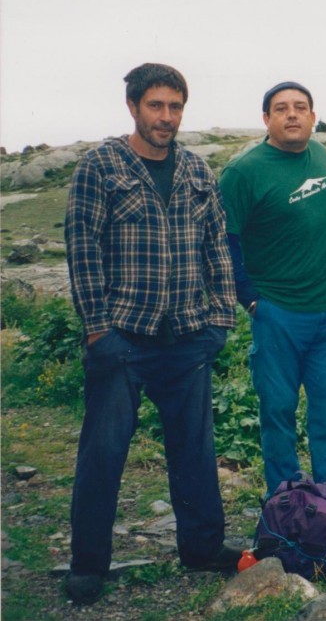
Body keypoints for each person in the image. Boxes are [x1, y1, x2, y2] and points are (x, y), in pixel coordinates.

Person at [64, 63, 239, 604]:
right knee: (103, 452)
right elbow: (83, 250)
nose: (167, 117)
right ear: (134, 107)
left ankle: (202, 547)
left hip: (188, 336)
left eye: (175, 107)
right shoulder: (101, 166)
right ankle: (88, 563)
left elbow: (216, 244)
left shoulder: (195, 169)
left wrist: (220, 319)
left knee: (194, 450)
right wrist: (99, 331)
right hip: (123, 340)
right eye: (157, 106)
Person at [218, 81, 326, 497]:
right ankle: (286, 500)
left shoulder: (318, 154)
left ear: (312, 116)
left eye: (300, 107)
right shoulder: (244, 171)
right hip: (277, 313)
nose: (292, 114)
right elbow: (224, 239)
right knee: (278, 412)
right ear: (266, 119)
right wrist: (251, 300)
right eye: (281, 108)